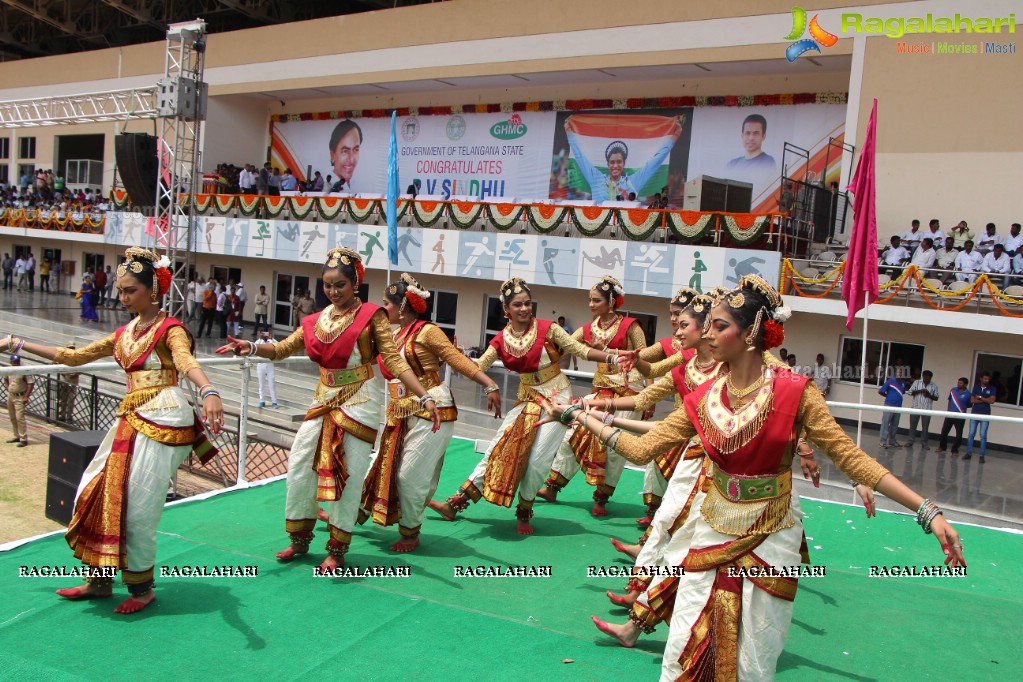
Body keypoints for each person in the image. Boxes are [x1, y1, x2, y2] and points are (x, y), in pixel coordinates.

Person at [538, 274, 965, 679]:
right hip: (712, 525)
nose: (706, 335)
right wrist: (579, 414)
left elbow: (849, 456)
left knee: (755, 657)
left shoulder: (794, 390)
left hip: (772, 531)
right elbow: (641, 448)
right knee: (683, 642)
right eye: (706, 326)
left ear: (751, 332)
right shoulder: (704, 395)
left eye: (718, 326)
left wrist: (928, 512)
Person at [5, 246, 224, 614]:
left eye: (130, 290)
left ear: (152, 291)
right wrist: (17, 342)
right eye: (120, 290)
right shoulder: (124, 333)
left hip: (165, 417)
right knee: (93, 490)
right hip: (131, 418)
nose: (122, 297)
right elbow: (73, 357)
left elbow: (186, 362)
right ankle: (100, 579)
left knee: (138, 506)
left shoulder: (171, 330)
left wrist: (209, 390)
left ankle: (141, 588)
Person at [217, 247, 440, 571]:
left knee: (347, 475)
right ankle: (299, 538)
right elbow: (282, 348)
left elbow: (393, 359)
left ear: (355, 284)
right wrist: (250, 346)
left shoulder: (371, 317)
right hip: (323, 399)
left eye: (340, 285)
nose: (333, 292)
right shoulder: (316, 320)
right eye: (327, 285)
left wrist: (425, 396)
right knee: (299, 464)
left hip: (359, 400)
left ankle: (337, 547)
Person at [428, 277, 633, 535]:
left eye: (527, 303)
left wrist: (613, 356)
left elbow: (579, 350)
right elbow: (478, 366)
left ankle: (524, 510)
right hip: (527, 398)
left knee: (537, 461)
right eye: (517, 305)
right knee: (497, 449)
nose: (524, 309)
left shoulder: (549, 329)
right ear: (506, 309)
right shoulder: (502, 338)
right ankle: (456, 503)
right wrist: (452, 359)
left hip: (558, 398)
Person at [359, 273, 502, 552]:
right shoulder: (391, 335)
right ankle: (352, 516)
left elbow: (456, 359)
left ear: (402, 307)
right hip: (399, 411)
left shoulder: (427, 331)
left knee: (409, 476)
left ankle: (411, 532)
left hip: (433, 410)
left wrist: (489, 384)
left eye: (386, 303)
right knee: (381, 469)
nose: (382, 308)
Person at [539, 277, 648, 517]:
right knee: (573, 436)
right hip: (600, 393)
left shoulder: (631, 326)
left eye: (596, 300)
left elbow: (643, 358)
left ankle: (601, 499)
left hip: (628, 392)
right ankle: (552, 487)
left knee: (616, 448)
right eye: (589, 299)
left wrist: (650, 396)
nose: (591, 304)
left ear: (611, 301)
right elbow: (564, 344)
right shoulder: (587, 329)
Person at [564, 115, 683, 202]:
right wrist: (569, 131)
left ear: (624, 163)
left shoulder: (633, 182)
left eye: (619, 162)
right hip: (598, 229)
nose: (615, 165)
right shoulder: (596, 179)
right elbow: (579, 155)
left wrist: (676, 134)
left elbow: (657, 159)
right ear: (608, 164)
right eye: (612, 162)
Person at [964, 371, 996, 462]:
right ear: (981, 378)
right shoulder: (976, 387)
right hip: (975, 413)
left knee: (983, 435)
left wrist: (981, 398)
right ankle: (968, 453)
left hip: (986, 414)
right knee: (971, 434)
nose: (987, 380)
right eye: (985, 378)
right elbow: (972, 400)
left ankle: (982, 455)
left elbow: (992, 401)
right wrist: (986, 399)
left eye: (988, 379)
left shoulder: (992, 388)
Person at [935, 377, 971, 456]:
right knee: (944, 431)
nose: (958, 384)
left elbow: (969, 405)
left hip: (961, 415)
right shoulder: (953, 390)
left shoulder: (968, 394)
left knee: (958, 433)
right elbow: (950, 401)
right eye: (958, 382)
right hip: (950, 414)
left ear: (965, 384)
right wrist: (948, 411)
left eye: (961, 383)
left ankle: (955, 450)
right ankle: (942, 447)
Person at [4, 354, 34, 447]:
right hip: (11, 395)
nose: (16, 363)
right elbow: (5, 379)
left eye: (17, 361)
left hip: (20, 396)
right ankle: (16, 435)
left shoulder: (24, 370)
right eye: (14, 362)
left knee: (19, 417)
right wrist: (8, 388)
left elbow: (30, 384)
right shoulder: (8, 370)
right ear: (11, 362)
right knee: (12, 417)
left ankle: (23, 438)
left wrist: (26, 396)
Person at [907, 370, 939, 449]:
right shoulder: (917, 383)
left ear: (931, 378)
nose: (927, 379)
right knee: (912, 426)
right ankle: (910, 441)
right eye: (925, 377)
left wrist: (929, 395)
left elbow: (936, 398)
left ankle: (924, 443)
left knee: (925, 427)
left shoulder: (934, 386)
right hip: (915, 407)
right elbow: (910, 392)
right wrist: (921, 391)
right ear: (923, 376)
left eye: (929, 377)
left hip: (927, 409)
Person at [328, 120, 362, 192]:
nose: (352, 159)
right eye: (345, 151)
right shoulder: (332, 183)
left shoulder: (356, 182)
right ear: (332, 154)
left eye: (356, 149)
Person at [878, 369, 908, 448]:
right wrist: (888, 397)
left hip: (898, 406)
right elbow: (881, 391)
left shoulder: (903, 382)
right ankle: (882, 441)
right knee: (885, 423)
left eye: (902, 373)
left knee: (895, 424)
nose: (900, 374)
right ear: (895, 373)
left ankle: (892, 441)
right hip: (889, 405)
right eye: (899, 372)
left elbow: (903, 392)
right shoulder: (890, 381)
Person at [253, 329, 278, 408]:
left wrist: (270, 339)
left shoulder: (273, 341)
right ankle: (262, 401)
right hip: (260, 365)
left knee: (272, 384)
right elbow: (254, 349)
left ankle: (274, 402)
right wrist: (260, 339)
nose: (265, 335)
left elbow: (278, 347)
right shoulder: (258, 342)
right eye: (263, 333)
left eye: (266, 333)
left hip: (270, 365)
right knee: (261, 384)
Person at [56, 342, 79, 423]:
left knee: (71, 399)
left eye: (72, 348)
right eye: (70, 348)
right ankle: (62, 415)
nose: (71, 349)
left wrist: (76, 373)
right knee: (62, 398)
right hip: (64, 377)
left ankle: (69, 417)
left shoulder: (78, 356)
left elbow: (83, 367)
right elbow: (54, 362)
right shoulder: (63, 355)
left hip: (73, 379)